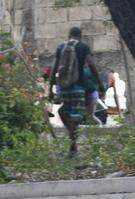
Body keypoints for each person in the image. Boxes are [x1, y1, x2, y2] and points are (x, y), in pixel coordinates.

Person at [49, 26, 102, 155]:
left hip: (64, 88)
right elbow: (92, 65)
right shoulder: (83, 47)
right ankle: (73, 145)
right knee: (76, 116)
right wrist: (100, 83)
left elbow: (54, 68)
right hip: (78, 87)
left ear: (69, 35)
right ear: (80, 35)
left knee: (63, 111)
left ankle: (72, 141)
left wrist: (51, 88)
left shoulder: (61, 47)